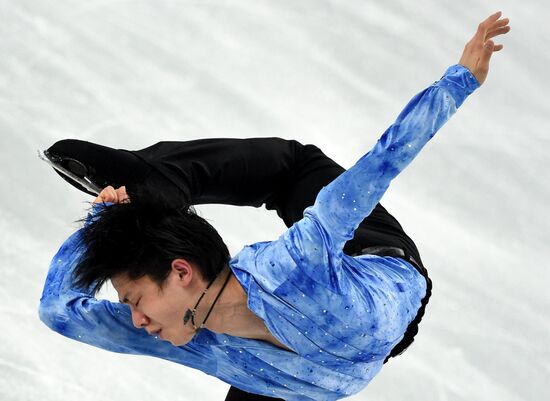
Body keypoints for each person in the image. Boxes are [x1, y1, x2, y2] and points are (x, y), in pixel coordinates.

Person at [39, 12, 510, 401]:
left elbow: (381, 164)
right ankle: (140, 206)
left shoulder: (295, 268)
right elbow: (60, 311)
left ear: (182, 272)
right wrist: (100, 227)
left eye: (135, 302)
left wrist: (461, 80)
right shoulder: (178, 328)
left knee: (293, 169)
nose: (136, 320)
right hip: (297, 382)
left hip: (373, 256)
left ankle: (150, 180)